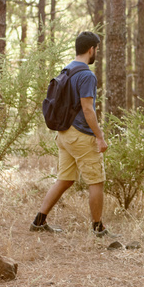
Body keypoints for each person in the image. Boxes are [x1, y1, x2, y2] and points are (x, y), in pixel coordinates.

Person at [30, 31, 109, 236]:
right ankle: (98, 229)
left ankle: (39, 221)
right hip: (80, 136)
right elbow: (88, 109)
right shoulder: (87, 75)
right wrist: (99, 136)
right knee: (96, 181)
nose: (97, 53)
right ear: (91, 49)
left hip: (64, 135)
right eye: (97, 49)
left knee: (65, 179)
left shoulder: (67, 70)